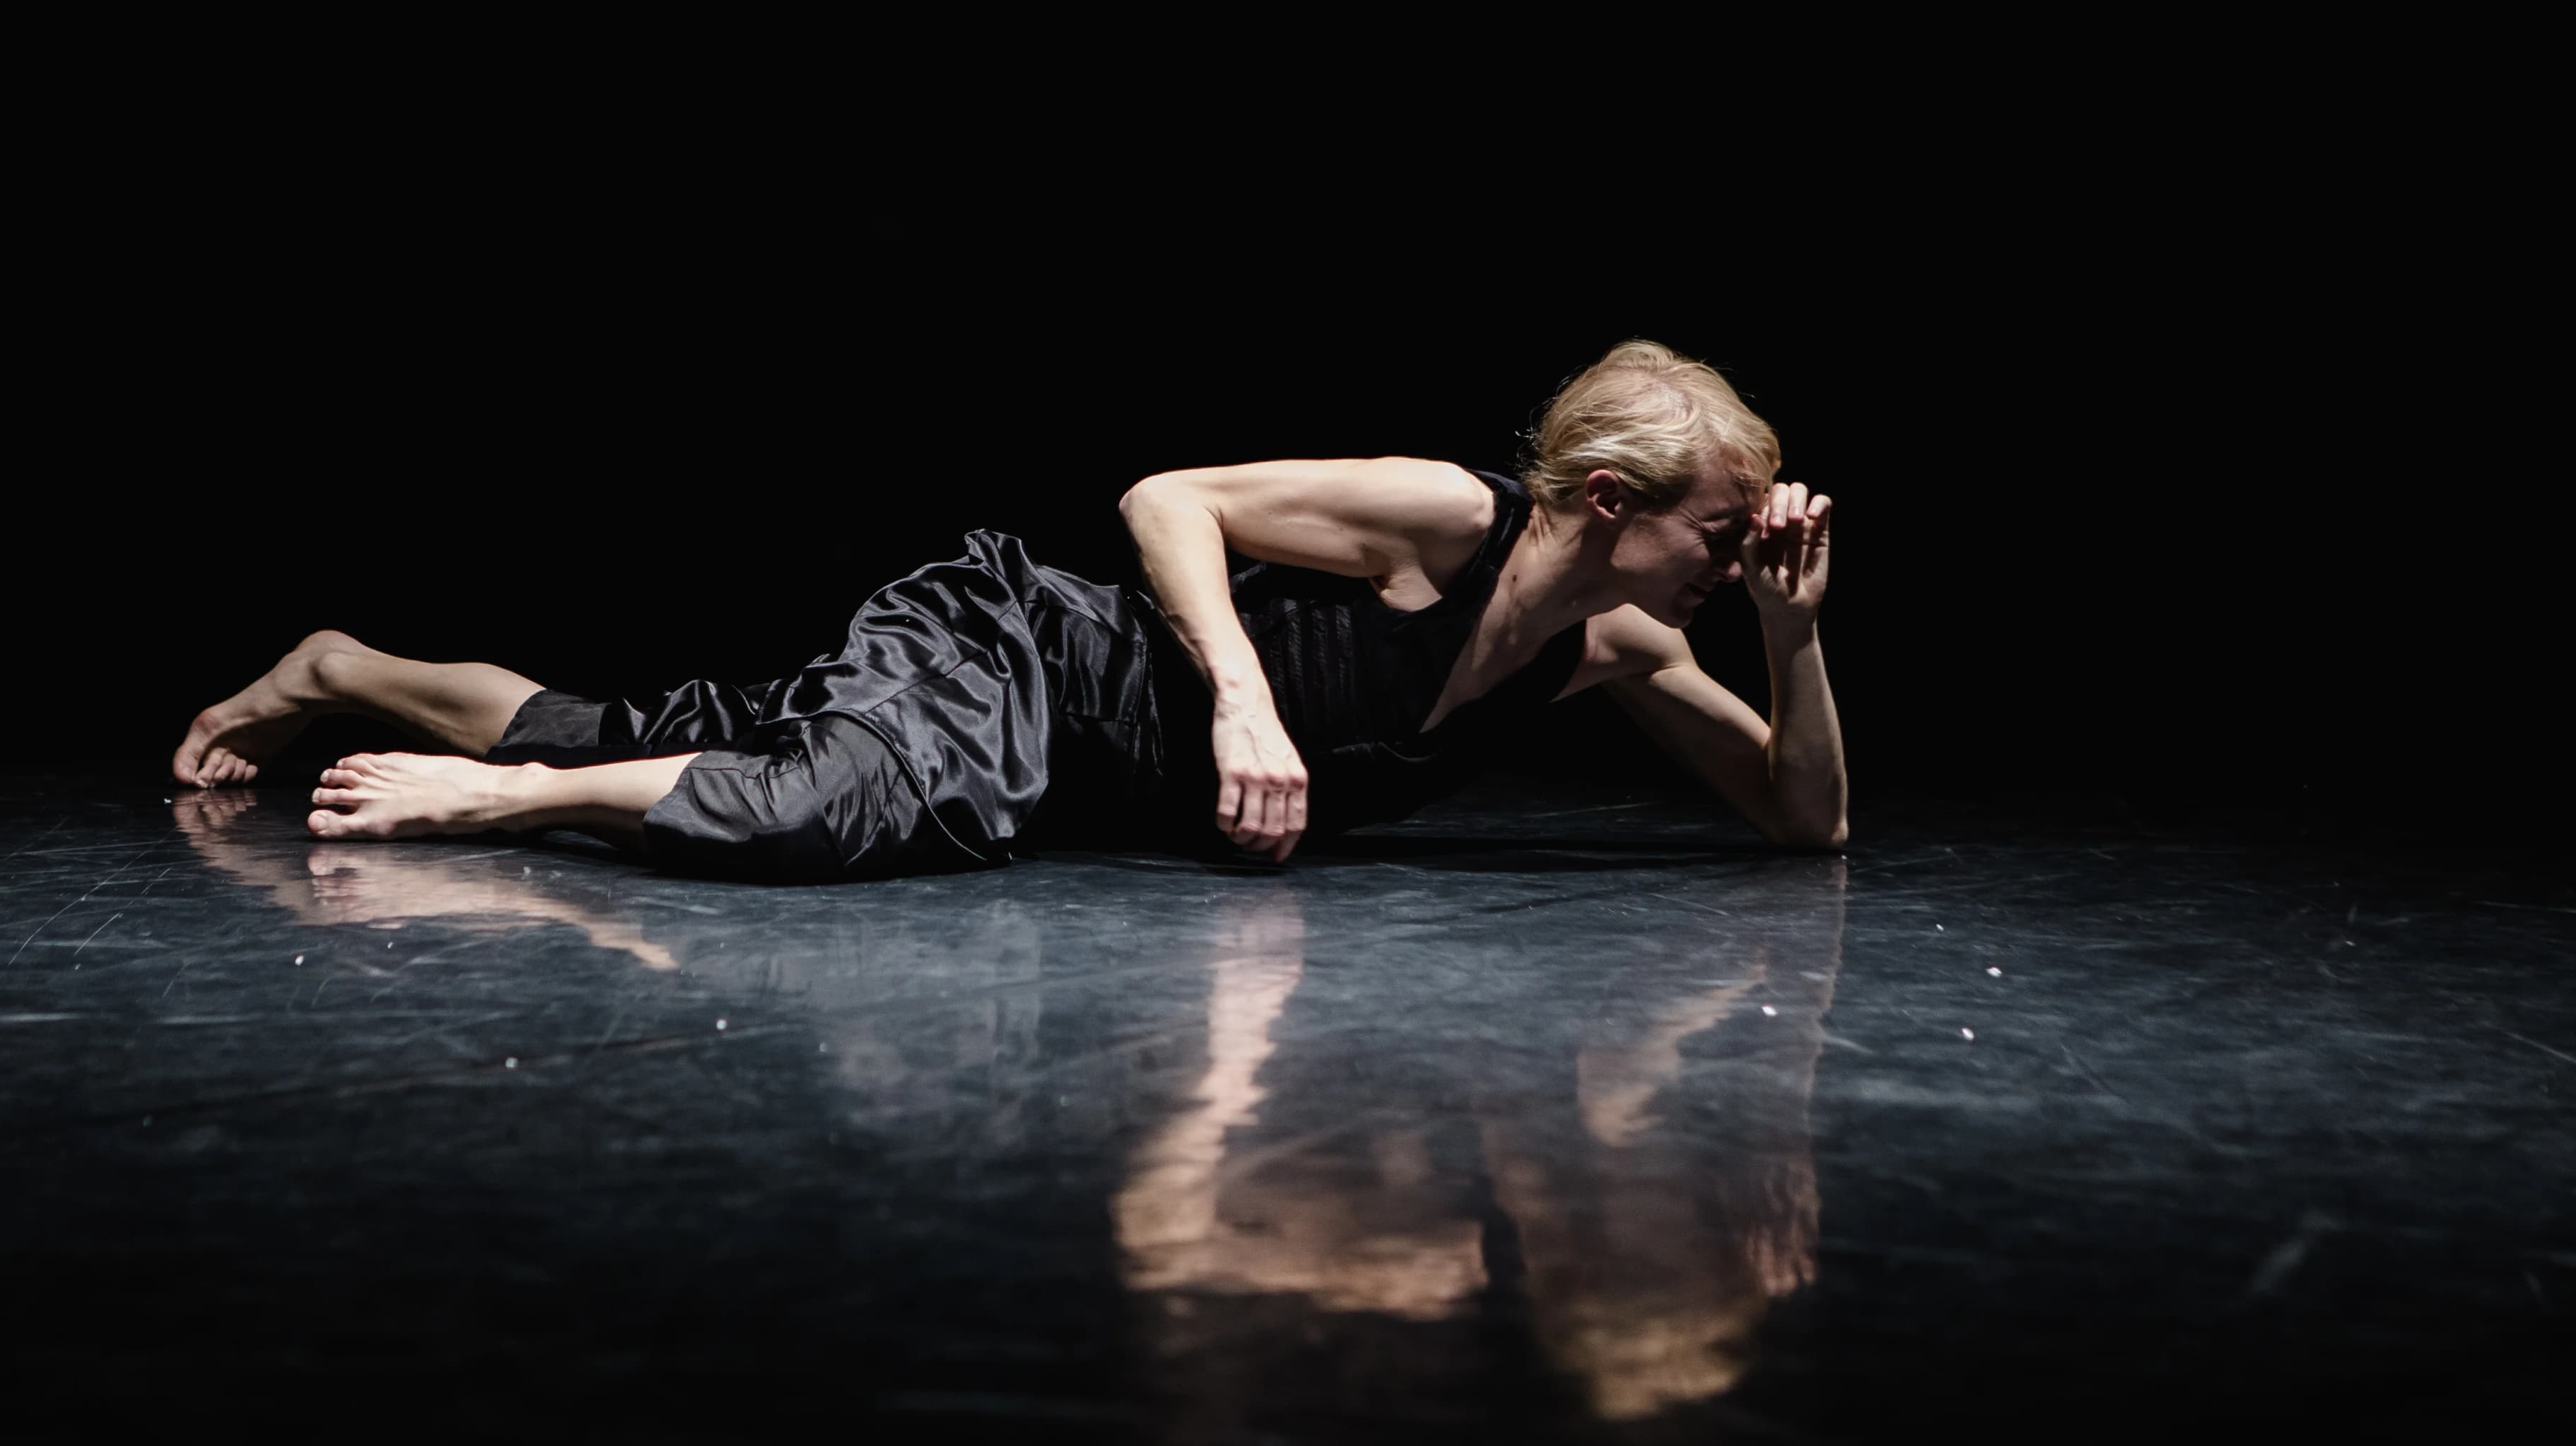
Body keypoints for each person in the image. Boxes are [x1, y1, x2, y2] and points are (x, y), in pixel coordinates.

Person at [169, 341, 1846, 876]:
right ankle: (501, 800)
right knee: (835, 808)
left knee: (663, 734)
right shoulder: (1439, 518)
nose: (1732, 554)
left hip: (1051, 760)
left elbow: (1800, 823)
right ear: (1611, 507)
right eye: (1718, 532)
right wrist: (1248, 698)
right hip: (1009, 647)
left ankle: (343, 665)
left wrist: (1792, 628)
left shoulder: (1620, 647)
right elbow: (1161, 498)